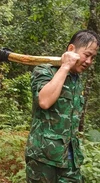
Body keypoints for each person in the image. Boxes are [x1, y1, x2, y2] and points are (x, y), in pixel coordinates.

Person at [25, 29, 100, 183]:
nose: (89, 62)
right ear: (71, 49)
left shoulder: (77, 80)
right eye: (87, 55)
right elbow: (44, 101)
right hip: (43, 158)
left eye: (93, 58)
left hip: (70, 160)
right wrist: (65, 67)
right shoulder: (45, 70)